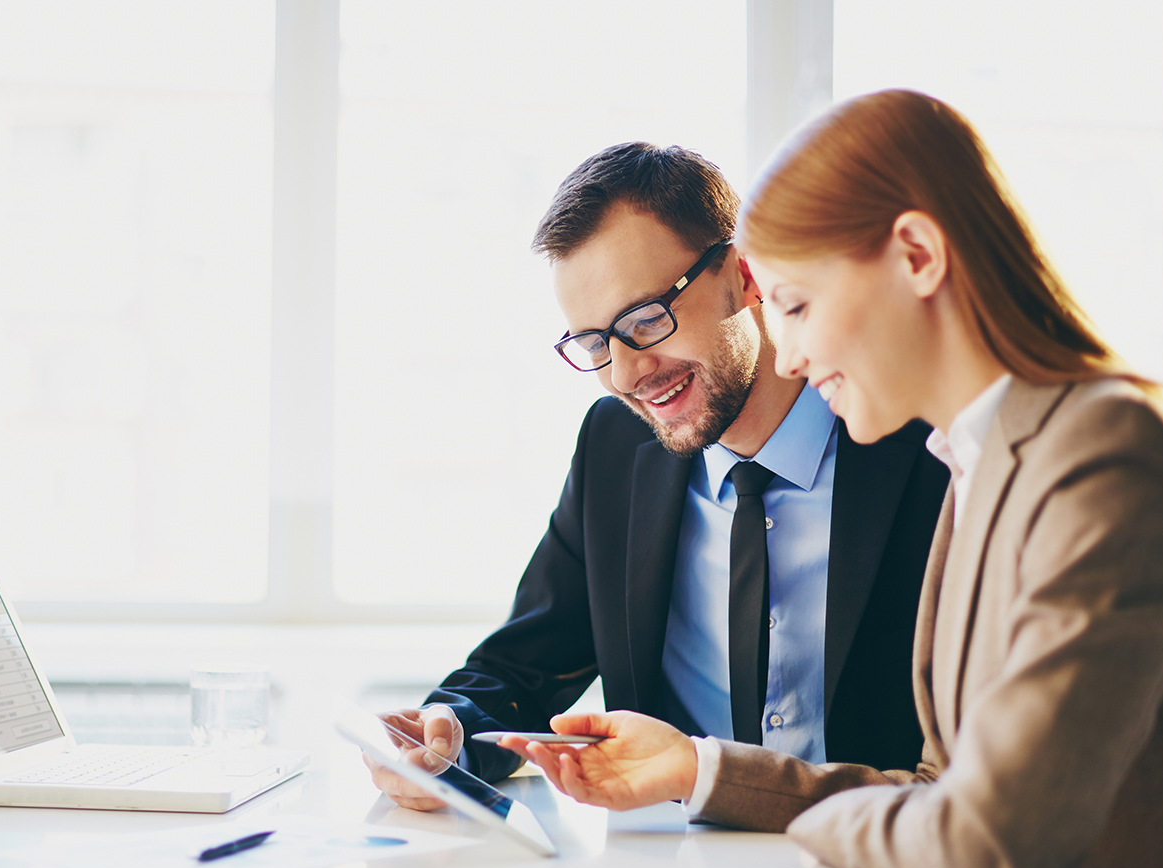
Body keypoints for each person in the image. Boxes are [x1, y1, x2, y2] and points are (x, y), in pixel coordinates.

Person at [506, 90, 1163, 868]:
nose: (796, 354)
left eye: (799, 307)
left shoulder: (1108, 452)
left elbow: (987, 839)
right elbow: (942, 797)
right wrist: (699, 770)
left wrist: (780, 822)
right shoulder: (976, 460)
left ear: (917, 256)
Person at [366, 142, 949, 813]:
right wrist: (449, 736)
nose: (625, 374)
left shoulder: (920, 445)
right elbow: (524, 665)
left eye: (646, 320)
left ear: (746, 273)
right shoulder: (615, 448)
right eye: (593, 344)